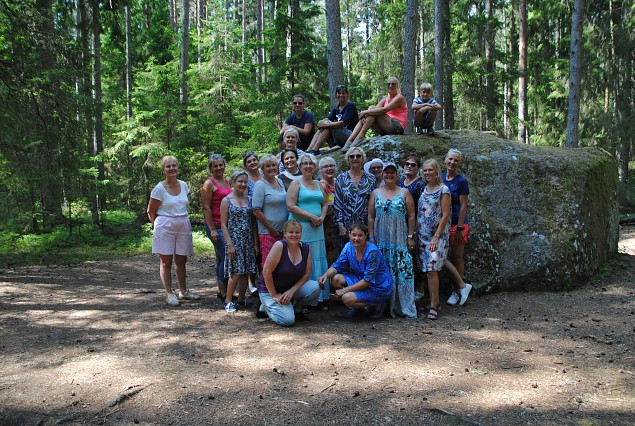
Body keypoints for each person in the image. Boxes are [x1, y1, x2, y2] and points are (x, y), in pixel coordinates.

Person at [147, 156, 200, 307]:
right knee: (166, 261)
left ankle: (183, 291)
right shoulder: (159, 189)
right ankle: (169, 293)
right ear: (163, 170)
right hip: (165, 224)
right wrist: (157, 225)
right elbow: (151, 211)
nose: (171, 169)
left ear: (177, 167)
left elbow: (182, 204)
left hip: (183, 223)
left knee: (182, 260)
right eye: (168, 166)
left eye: (174, 166)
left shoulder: (183, 185)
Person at [368, 162, 417, 318]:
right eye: (386, 172)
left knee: (401, 271)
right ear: (382, 174)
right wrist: (371, 237)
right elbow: (370, 217)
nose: (389, 175)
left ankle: (401, 305)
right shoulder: (375, 193)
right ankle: (380, 305)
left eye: (392, 172)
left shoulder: (405, 192)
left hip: (399, 239)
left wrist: (410, 237)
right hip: (381, 239)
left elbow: (411, 216)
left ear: (397, 175)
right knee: (380, 272)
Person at [318, 223, 392, 319]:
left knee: (346, 298)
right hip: (359, 279)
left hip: (378, 286)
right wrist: (325, 276)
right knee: (335, 279)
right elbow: (337, 266)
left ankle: (378, 304)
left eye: (360, 235)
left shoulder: (372, 252)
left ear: (366, 236)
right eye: (354, 235)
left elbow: (367, 281)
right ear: (349, 235)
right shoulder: (349, 247)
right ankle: (358, 307)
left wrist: (344, 290)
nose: (356, 238)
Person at [287, 153, 330, 310]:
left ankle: (320, 297)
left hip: (317, 229)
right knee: (303, 261)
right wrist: (311, 216)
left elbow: (325, 203)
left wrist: (321, 218)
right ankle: (303, 297)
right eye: (304, 163)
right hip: (301, 229)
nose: (308, 166)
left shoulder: (319, 184)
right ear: (300, 166)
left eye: (310, 163)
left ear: (315, 166)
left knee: (318, 259)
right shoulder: (296, 183)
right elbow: (291, 205)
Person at [258, 219, 321, 326]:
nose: (294, 235)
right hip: (269, 290)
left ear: (301, 233)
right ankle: (266, 308)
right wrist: (274, 295)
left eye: (297, 232)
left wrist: (291, 291)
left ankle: (297, 309)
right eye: (291, 232)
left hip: (289, 289)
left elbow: (306, 274)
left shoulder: (306, 248)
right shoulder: (279, 246)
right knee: (288, 320)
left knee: (316, 286)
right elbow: (266, 271)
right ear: (285, 234)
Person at [220, 169, 259, 313]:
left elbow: (253, 222)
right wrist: (229, 244)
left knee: (246, 271)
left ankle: (241, 299)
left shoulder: (249, 199)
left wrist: (255, 243)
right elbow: (223, 224)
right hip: (234, 240)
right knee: (235, 272)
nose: (242, 184)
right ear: (234, 182)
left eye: (245, 181)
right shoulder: (227, 200)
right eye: (239, 181)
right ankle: (228, 301)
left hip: (248, 239)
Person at [416, 159, 451, 321]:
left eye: (430, 170)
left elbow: (445, 215)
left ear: (437, 171)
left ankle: (434, 304)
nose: (427, 173)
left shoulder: (443, 190)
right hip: (422, 236)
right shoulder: (424, 189)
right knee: (426, 270)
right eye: (425, 170)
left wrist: (436, 236)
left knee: (432, 269)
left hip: (437, 237)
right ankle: (433, 302)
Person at [341, 77, 407, 150]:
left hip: (397, 127)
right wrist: (365, 115)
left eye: (393, 84)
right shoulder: (385, 100)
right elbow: (374, 111)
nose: (390, 86)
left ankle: (361, 136)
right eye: (388, 84)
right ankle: (349, 141)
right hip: (386, 129)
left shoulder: (400, 98)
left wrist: (364, 112)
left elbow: (384, 110)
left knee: (371, 109)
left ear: (397, 86)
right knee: (371, 110)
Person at [442, 148, 473, 306]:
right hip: (443, 224)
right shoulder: (440, 179)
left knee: (457, 257)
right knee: (443, 257)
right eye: (450, 159)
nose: (452, 162)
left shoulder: (461, 181)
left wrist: (460, 228)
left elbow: (463, 206)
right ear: (445, 160)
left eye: (456, 160)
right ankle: (461, 286)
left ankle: (458, 290)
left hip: (457, 224)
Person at [201, 154, 232, 300]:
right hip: (215, 226)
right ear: (211, 168)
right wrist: (212, 229)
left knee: (220, 258)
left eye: (221, 165)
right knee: (227, 256)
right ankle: (224, 289)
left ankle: (221, 289)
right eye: (215, 166)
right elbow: (206, 208)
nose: (219, 168)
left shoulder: (226, 181)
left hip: (225, 225)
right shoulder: (209, 183)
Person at [334, 147, 376, 248]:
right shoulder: (341, 178)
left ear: (363, 159)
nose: (355, 158)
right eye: (352, 156)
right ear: (348, 159)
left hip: (365, 224)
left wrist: (371, 229)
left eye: (358, 156)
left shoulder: (370, 178)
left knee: (365, 254)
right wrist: (340, 225)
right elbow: (338, 203)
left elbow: (374, 203)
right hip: (347, 225)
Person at [252, 154, 288, 268]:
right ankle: (265, 286)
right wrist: (271, 229)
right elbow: (256, 210)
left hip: (283, 232)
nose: (271, 168)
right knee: (269, 265)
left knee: (282, 264)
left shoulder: (280, 182)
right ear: (262, 168)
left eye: (274, 165)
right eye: (268, 166)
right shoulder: (260, 185)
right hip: (268, 233)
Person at [305, 84, 359, 154]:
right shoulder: (336, 108)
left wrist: (325, 125)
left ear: (347, 94)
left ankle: (315, 149)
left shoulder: (350, 106)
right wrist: (321, 123)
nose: (341, 95)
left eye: (343, 93)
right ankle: (309, 149)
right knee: (324, 125)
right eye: (339, 93)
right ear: (336, 95)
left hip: (351, 136)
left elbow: (342, 123)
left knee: (327, 126)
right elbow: (327, 119)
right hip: (339, 138)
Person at [318, 156, 339, 265]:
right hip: (328, 226)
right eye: (325, 166)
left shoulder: (339, 181)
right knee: (331, 253)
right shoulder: (320, 186)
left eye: (331, 165)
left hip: (340, 223)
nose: (329, 168)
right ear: (321, 170)